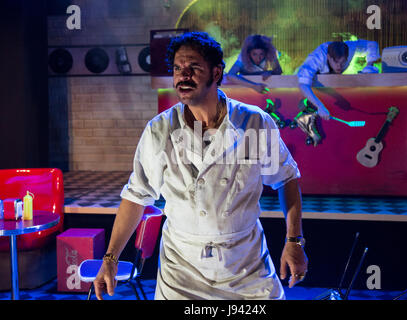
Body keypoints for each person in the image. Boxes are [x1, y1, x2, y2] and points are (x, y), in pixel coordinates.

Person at [93, 32, 308, 300]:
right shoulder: (159, 131)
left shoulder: (255, 123)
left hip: (245, 267)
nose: (183, 76)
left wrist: (294, 241)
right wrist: (110, 258)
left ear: (216, 73)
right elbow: (136, 196)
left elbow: (286, 178)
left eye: (193, 68)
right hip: (182, 271)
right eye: (177, 69)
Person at [297, 40, 380, 120]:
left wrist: (369, 66)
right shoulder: (317, 58)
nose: (339, 66)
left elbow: (372, 45)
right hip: (305, 85)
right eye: (336, 62)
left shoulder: (350, 48)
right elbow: (303, 85)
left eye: (343, 62)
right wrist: (320, 106)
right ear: (329, 57)